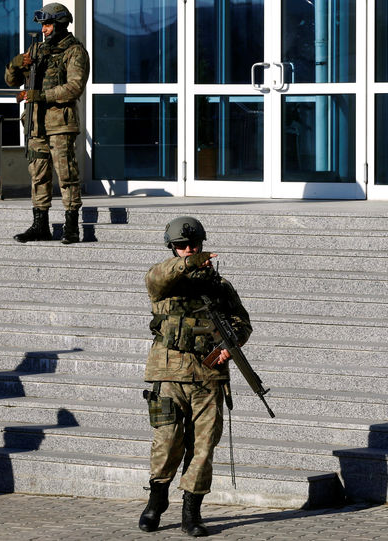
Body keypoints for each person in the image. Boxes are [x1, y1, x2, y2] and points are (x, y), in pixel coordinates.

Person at [139, 217, 252, 537]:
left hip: (209, 376)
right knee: (167, 442)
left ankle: (192, 512)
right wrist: (188, 264)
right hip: (168, 373)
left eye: (194, 246)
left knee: (203, 447)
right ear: (171, 248)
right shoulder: (163, 280)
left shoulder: (219, 286)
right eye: (181, 247)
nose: (189, 250)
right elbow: (157, 277)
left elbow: (242, 323)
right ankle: (156, 502)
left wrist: (230, 345)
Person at [5, 3, 90, 244]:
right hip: (35, 124)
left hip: (60, 124)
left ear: (61, 24)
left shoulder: (74, 52)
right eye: (42, 25)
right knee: (38, 175)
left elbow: (74, 87)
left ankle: (72, 226)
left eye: (48, 24)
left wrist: (41, 96)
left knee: (66, 175)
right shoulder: (38, 51)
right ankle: (40, 225)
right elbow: (11, 81)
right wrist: (16, 63)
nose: (44, 30)